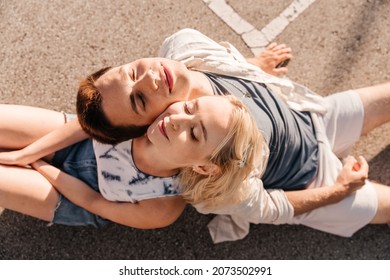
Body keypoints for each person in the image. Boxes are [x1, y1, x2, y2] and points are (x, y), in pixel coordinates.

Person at [1, 29, 388, 242]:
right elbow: (273, 209)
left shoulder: (188, 55)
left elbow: (233, 72)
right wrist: (339, 189)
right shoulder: (225, 178)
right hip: (312, 182)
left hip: (313, 117)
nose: (152, 76)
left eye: (132, 70)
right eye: (139, 99)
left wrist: (253, 66)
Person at [0, 94, 264, 229]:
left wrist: (36, 163)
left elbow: (93, 202)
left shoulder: (162, 208)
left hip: (78, 198)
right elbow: (88, 125)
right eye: (189, 107)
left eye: (194, 133)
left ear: (204, 167)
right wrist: (26, 155)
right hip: (82, 140)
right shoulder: (152, 115)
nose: (175, 120)